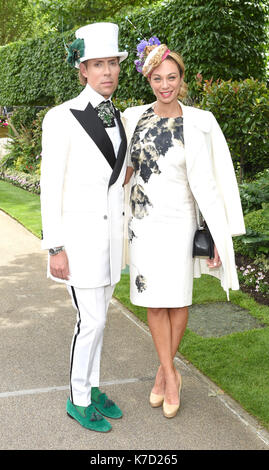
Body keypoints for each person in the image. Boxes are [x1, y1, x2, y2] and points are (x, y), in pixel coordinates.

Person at [123, 39, 245, 419]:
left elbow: (217, 179)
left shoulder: (201, 122)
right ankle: (172, 376)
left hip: (179, 222)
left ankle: (164, 375)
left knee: (177, 299)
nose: (165, 85)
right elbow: (123, 170)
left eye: (171, 77)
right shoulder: (132, 118)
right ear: (148, 80)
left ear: (181, 79)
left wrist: (220, 231)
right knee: (153, 302)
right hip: (142, 223)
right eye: (157, 78)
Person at [40, 22, 128, 432]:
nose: (107, 71)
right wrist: (55, 246)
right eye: (98, 64)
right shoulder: (61, 117)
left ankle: (92, 388)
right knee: (89, 321)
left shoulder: (120, 117)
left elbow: (114, 172)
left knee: (101, 319)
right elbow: (50, 185)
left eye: (112, 63)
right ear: (83, 69)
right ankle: (77, 398)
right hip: (78, 243)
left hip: (111, 242)